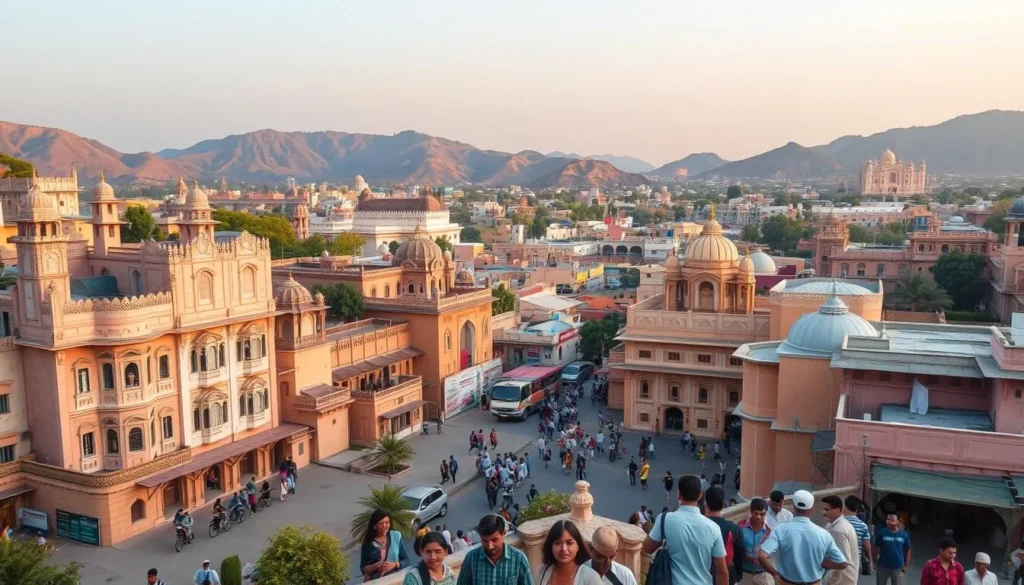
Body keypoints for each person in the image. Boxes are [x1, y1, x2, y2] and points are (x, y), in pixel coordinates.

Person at [643, 475, 729, 585]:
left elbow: (648, 548)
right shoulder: (714, 528)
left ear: (679, 494)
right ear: (700, 495)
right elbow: (722, 571)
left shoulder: (665, 519)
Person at [757, 490, 847, 585]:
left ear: (793, 508)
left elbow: (761, 556)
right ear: (811, 510)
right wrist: (823, 564)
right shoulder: (823, 534)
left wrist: (775, 574)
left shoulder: (780, 530)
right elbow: (842, 563)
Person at [456, 514, 533, 585]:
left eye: (494, 540)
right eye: (485, 541)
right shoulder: (471, 559)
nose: (490, 546)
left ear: (503, 534)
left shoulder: (518, 559)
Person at [535, 519, 602, 585]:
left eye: (569, 543)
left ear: (578, 546)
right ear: (551, 546)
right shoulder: (541, 572)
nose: (563, 549)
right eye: (558, 543)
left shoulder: (591, 578)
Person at [705, 486, 745, 585]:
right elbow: (740, 554)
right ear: (723, 504)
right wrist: (737, 575)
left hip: (703, 576)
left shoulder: (699, 527)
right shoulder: (734, 528)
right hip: (727, 576)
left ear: (706, 504)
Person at [360, 508, 410, 581]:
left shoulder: (395, 536)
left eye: (387, 522)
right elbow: (363, 569)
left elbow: (406, 559)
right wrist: (376, 566)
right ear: (374, 525)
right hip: (376, 581)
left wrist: (395, 565)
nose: (385, 526)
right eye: (381, 523)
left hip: (395, 579)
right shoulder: (368, 543)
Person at [822, 495, 860, 585]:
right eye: (823, 509)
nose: (823, 513)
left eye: (827, 510)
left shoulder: (838, 530)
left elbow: (842, 563)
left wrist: (822, 563)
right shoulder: (833, 525)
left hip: (841, 579)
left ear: (837, 510)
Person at [737, 498, 773, 585]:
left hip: (763, 574)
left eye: (762, 514)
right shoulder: (741, 527)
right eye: (756, 514)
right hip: (744, 575)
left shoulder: (770, 531)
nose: (759, 517)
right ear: (751, 512)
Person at [874, 511, 911, 585]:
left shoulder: (904, 535)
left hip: (897, 568)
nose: (889, 522)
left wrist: (906, 566)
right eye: (888, 519)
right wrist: (874, 561)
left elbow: (908, 550)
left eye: (892, 520)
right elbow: (876, 548)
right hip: (882, 567)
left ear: (898, 521)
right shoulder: (881, 533)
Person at [842, 496, 872, 576]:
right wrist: (869, 561)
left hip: (837, 562)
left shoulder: (837, 523)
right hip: (855, 563)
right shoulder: (863, 526)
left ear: (845, 507)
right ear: (857, 509)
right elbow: (867, 547)